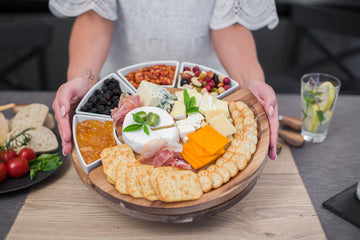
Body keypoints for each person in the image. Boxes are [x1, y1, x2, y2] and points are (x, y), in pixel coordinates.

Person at [50, 0, 279, 160]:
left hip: (204, 83)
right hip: (124, 84)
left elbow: (230, 23)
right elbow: (94, 15)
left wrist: (250, 81)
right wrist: (83, 78)